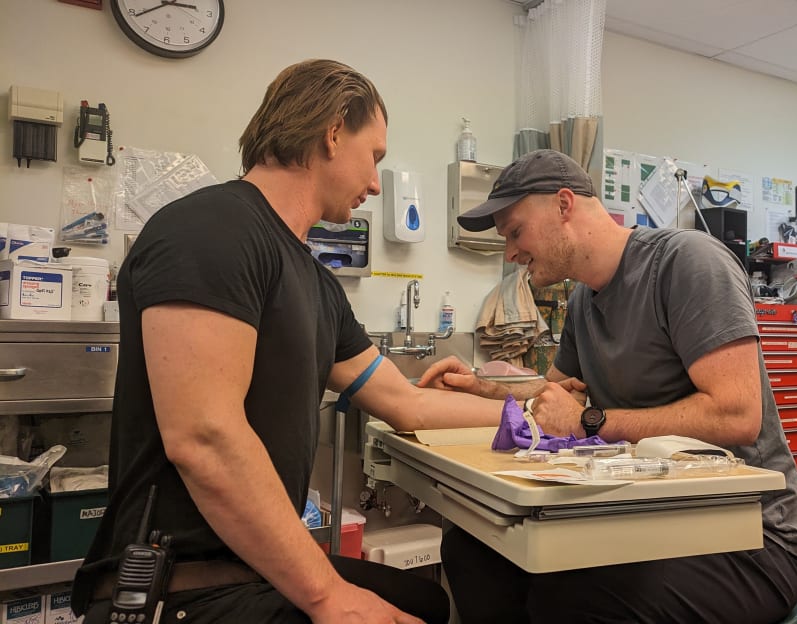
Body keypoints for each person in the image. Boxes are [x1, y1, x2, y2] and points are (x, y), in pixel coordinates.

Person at [72, 59, 502, 624]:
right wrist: (329, 596)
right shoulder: (212, 229)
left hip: (250, 568)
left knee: (427, 602)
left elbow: (407, 403)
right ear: (331, 133)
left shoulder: (317, 285)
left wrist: (526, 415)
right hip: (186, 585)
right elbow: (205, 438)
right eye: (373, 156)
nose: (375, 183)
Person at [419, 149, 797, 624]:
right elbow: (554, 394)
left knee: (570, 597)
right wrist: (481, 387)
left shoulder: (687, 263)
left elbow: (737, 415)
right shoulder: (584, 300)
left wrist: (590, 422)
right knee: (475, 550)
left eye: (515, 232)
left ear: (564, 205)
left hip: (750, 535)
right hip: (646, 515)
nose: (511, 253)